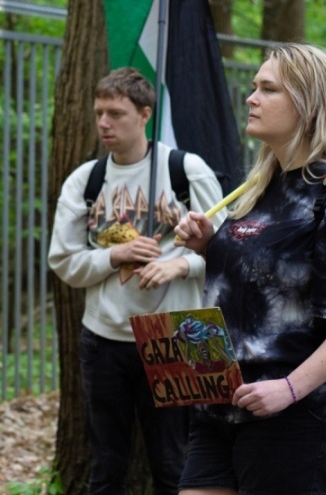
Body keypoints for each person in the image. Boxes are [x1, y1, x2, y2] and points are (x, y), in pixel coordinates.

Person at [173, 43, 326, 495]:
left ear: (309, 105)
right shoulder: (257, 188)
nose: (251, 97)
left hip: (301, 413)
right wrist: (212, 247)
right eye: (254, 87)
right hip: (222, 405)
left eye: (268, 89)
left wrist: (288, 389)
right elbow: (267, 278)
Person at [48, 67, 225, 494]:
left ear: (145, 114)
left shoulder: (186, 170)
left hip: (178, 332)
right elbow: (63, 261)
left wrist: (180, 265)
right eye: (98, 113)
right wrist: (115, 255)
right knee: (106, 465)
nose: (104, 123)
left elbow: (230, 248)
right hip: (105, 337)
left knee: (175, 463)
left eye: (116, 113)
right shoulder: (86, 180)